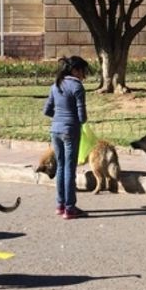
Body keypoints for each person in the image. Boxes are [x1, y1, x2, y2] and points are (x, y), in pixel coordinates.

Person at [43, 55, 90, 219]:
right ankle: (70, 208)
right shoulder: (77, 87)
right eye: (83, 71)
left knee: (61, 167)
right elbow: (82, 117)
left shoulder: (55, 85)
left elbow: (46, 110)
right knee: (70, 168)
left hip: (55, 130)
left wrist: (60, 116)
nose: (84, 75)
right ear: (75, 70)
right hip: (70, 131)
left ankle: (60, 204)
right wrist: (72, 119)